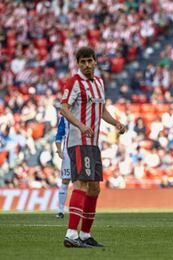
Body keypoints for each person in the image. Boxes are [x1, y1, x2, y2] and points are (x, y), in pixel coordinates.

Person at [60, 46, 126, 248]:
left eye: (90, 61)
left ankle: (86, 235)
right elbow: (64, 109)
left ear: (95, 61)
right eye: (83, 62)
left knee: (95, 188)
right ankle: (71, 234)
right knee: (80, 184)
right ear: (78, 64)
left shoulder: (98, 82)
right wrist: (80, 125)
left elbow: (102, 109)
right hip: (78, 141)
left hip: (93, 143)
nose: (87, 65)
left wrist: (115, 123)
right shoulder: (73, 82)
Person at [55, 115, 70, 219]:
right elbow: (59, 134)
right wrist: (59, 150)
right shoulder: (65, 117)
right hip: (68, 152)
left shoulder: (84, 112)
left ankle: (82, 209)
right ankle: (60, 210)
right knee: (65, 180)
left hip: (82, 151)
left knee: (83, 181)